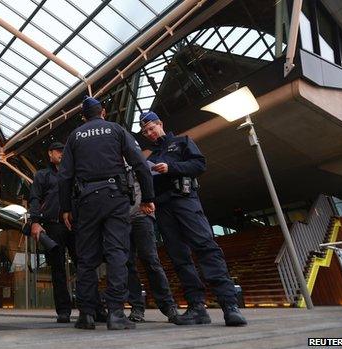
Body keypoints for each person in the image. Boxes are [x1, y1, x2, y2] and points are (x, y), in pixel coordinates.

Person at [140, 111, 247, 327]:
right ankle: (197, 307)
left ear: (160, 123)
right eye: (145, 132)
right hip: (164, 209)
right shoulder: (150, 158)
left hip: (185, 201)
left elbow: (199, 165)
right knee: (179, 257)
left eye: (151, 128)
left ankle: (229, 306)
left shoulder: (182, 142)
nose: (149, 133)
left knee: (206, 247)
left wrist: (172, 168)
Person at [58, 96, 155, 330]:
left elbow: (64, 176)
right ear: (103, 111)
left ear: (83, 116)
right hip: (115, 198)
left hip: (86, 201)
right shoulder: (116, 130)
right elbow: (140, 163)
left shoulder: (75, 136)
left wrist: (65, 209)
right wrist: (149, 197)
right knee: (117, 253)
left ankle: (87, 315)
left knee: (87, 258)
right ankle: (115, 313)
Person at [29, 141, 78, 323]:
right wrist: (35, 221)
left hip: (74, 225)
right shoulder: (42, 175)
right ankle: (63, 311)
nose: (62, 154)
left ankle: (93, 307)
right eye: (58, 151)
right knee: (58, 270)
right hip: (53, 225)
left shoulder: (73, 174)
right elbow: (34, 199)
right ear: (50, 154)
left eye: (64, 151)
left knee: (84, 265)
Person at [125, 181, 181, 324]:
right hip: (120, 220)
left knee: (151, 260)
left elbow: (149, 182)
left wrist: (150, 199)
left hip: (142, 215)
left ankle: (168, 306)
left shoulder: (136, 160)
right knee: (127, 264)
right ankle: (136, 307)